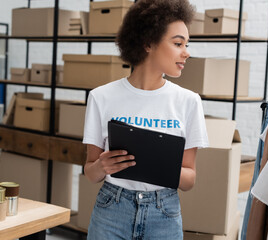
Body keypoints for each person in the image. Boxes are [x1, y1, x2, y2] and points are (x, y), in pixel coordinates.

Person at [82, 0, 209, 239]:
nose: (186, 52)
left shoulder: (188, 101)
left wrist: (157, 165)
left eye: (186, 44)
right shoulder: (101, 97)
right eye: (178, 43)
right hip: (112, 209)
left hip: (164, 213)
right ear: (148, 42)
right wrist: (102, 166)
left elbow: (189, 178)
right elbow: (90, 173)